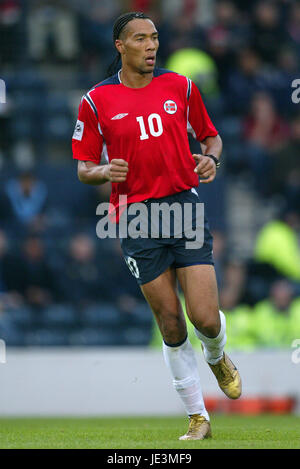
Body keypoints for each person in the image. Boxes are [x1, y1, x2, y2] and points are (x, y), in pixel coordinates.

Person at [72, 11, 241, 441]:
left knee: (204, 317)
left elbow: (211, 136)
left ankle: (218, 356)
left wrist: (211, 158)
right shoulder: (95, 101)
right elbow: (84, 168)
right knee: (170, 323)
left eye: (155, 38)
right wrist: (103, 171)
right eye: (141, 39)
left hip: (183, 207)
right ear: (120, 46)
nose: (151, 46)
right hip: (134, 216)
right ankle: (198, 416)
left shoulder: (180, 87)